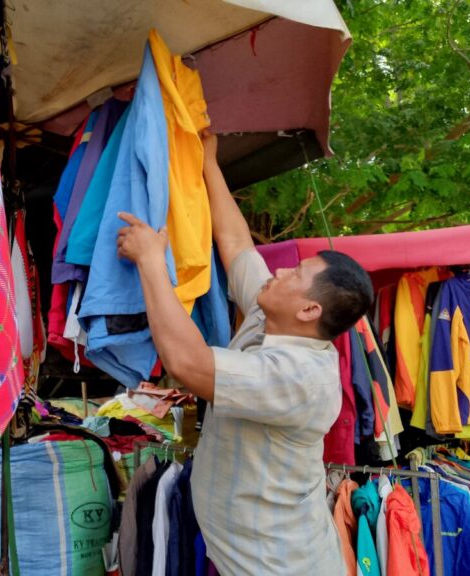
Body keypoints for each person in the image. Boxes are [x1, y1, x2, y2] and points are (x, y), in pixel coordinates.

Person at [116, 131, 373, 576]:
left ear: (310, 309)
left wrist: (151, 262)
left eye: (295, 272)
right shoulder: (272, 313)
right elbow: (236, 244)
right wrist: (209, 163)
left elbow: (188, 363)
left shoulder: (302, 378)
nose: (280, 271)